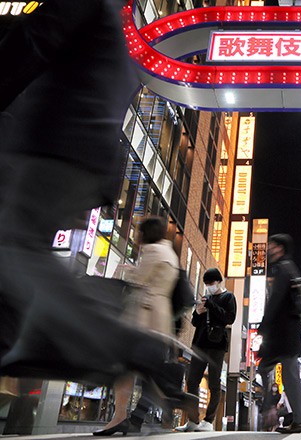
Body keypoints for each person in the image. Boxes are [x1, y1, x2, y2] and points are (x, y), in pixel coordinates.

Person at [0, 0, 195, 415]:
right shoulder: (120, 26)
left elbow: (34, 40)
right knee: (19, 256)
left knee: (12, 250)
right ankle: (33, 340)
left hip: (54, 144)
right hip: (82, 152)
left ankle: (122, 344)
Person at [94, 217, 180, 436]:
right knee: (143, 370)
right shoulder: (169, 252)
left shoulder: (152, 252)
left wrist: (127, 270)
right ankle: (128, 416)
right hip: (159, 317)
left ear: (145, 233)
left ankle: (120, 416)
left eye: (137, 231)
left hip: (143, 315)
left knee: (125, 367)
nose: (135, 235)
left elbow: (141, 279)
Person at [256, 234, 301, 434]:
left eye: (271, 245)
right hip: (289, 331)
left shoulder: (283, 268)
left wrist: (263, 326)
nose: (268, 249)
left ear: (279, 248)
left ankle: (297, 418)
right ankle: (299, 419)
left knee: (277, 371)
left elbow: (276, 299)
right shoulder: (289, 267)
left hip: (283, 332)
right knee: (285, 373)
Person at [176, 268, 236, 432]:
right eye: (206, 283)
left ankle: (209, 421)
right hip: (199, 343)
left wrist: (211, 306)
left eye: (210, 283)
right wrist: (198, 312)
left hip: (217, 345)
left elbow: (229, 318)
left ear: (218, 281)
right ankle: (193, 419)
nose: (208, 286)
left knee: (214, 384)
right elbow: (196, 322)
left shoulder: (228, 297)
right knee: (192, 381)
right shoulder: (206, 297)